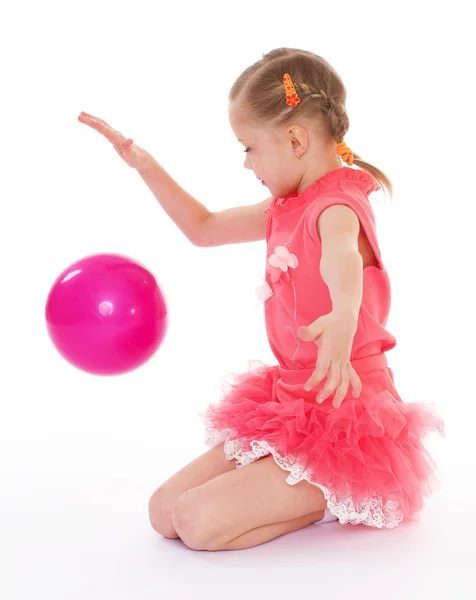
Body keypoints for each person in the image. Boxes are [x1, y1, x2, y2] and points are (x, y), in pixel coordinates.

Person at [78, 47, 444, 552]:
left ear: (295, 139)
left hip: (345, 416)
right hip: (291, 404)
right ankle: (285, 482)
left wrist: (343, 316)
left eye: (248, 148)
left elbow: (343, 259)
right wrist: (144, 164)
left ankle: (335, 493)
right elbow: (203, 229)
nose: (247, 163)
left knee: (200, 524)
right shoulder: (284, 207)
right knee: (165, 513)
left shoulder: (337, 206)